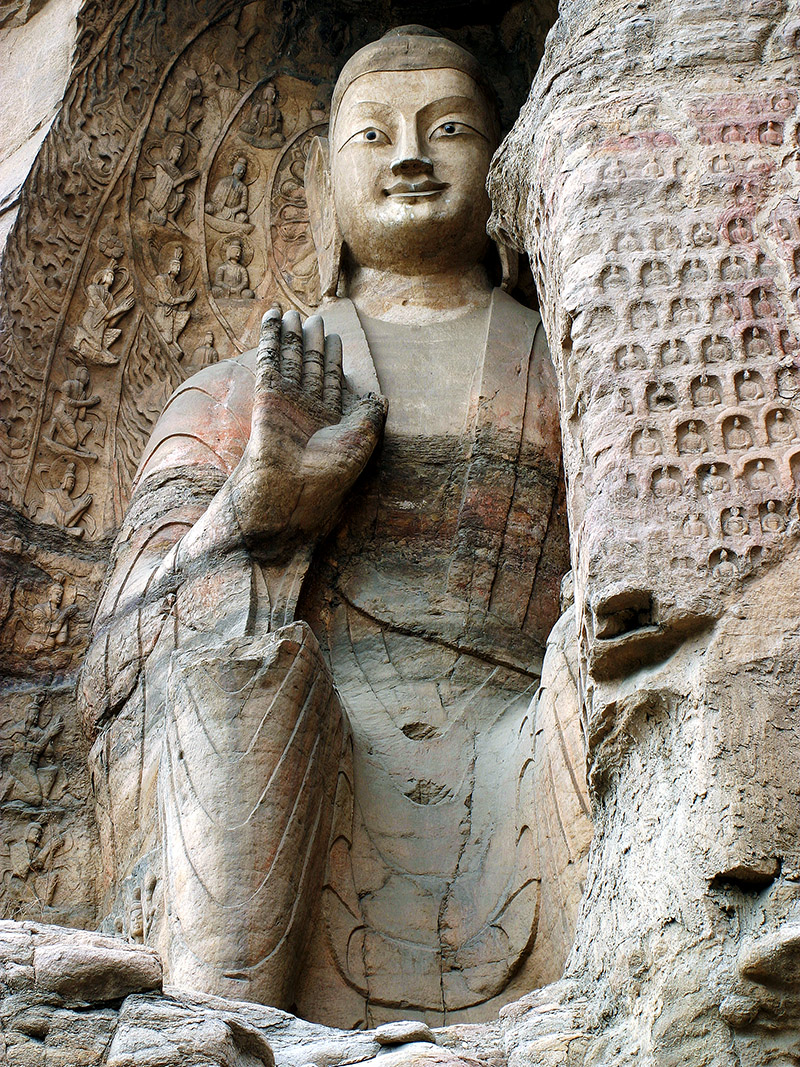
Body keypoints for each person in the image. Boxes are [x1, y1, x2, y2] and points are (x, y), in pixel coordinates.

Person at [81, 27, 569, 1025]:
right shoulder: (238, 391)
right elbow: (116, 656)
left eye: (447, 130)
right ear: (319, 187)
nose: (407, 157)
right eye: (373, 135)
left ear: (507, 169)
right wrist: (257, 515)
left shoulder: (574, 363)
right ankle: (218, 1028)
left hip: (529, 741)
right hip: (308, 738)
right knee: (241, 670)